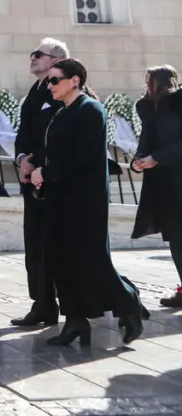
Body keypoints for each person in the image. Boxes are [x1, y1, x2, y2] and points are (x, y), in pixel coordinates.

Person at [29, 59, 144, 347]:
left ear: (75, 80)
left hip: (84, 202)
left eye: (55, 80)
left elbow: (80, 156)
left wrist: (46, 173)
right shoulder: (62, 112)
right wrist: (39, 170)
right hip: (59, 197)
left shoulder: (90, 110)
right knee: (60, 260)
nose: (50, 86)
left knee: (92, 260)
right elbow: (55, 152)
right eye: (48, 81)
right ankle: (76, 321)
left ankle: (129, 303)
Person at [12, 38, 69, 327]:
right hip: (31, 182)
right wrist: (22, 159)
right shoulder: (33, 93)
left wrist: (42, 166)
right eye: (32, 54)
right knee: (34, 246)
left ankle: (122, 299)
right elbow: (23, 133)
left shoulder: (63, 92)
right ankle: (42, 304)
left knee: (61, 249)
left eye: (39, 54)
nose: (32, 58)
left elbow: (61, 137)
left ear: (56, 61)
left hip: (55, 182)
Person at [131, 65, 182, 307]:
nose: (146, 85)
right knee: (175, 238)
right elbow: (146, 138)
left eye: (150, 80)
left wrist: (158, 158)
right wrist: (140, 159)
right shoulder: (147, 108)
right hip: (164, 185)